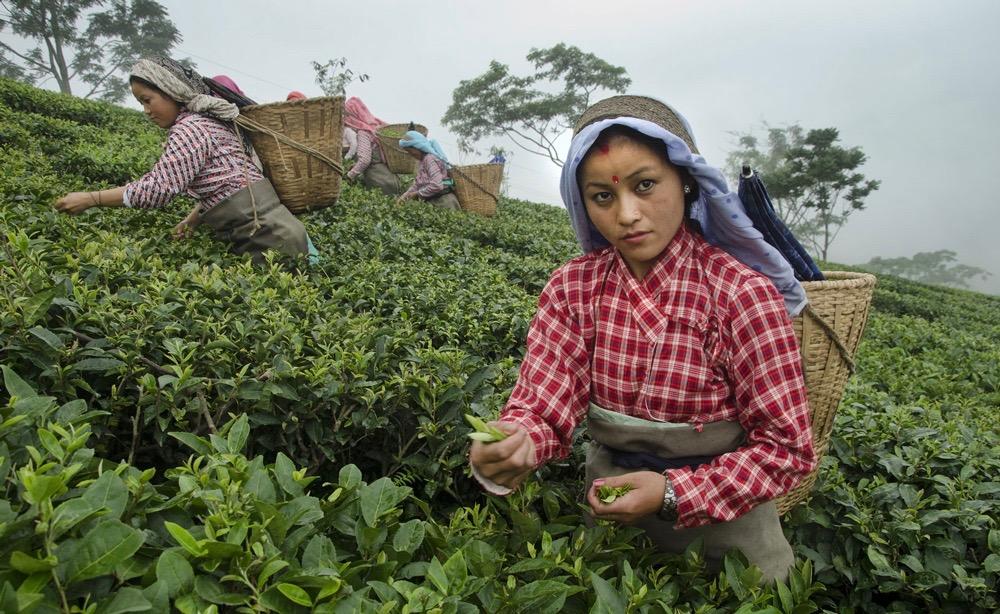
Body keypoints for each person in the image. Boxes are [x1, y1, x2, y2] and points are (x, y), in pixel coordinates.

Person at [468, 95, 815, 582]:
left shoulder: (742, 295)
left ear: (687, 181)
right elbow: (543, 404)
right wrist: (515, 443)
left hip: (731, 559)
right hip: (615, 542)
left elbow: (787, 449)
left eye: (645, 185)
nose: (627, 214)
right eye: (603, 197)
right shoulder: (574, 287)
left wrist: (673, 493)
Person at [54, 56, 313, 266]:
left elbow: (156, 190)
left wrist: (91, 198)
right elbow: (226, 184)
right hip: (282, 232)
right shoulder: (209, 121)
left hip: (268, 238)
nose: (146, 111)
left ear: (171, 91)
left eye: (148, 100)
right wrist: (192, 219)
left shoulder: (191, 128)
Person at [343, 97, 400, 196]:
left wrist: (349, 176)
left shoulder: (363, 132)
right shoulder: (376, 127)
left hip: (379, 182)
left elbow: (365, 160)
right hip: (392, 178)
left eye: (347, 115)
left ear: (354, 115)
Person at [396, 131, 460, 210]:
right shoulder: (422, 161)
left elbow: (437, 185)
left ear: (418, 147)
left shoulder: (430, 159)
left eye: (410, 151)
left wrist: (417, 194)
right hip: (435, 201)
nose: (410, 154)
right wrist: (402, 198)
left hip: (444, 202)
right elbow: (417, 185)